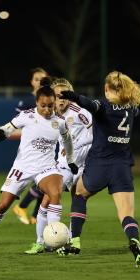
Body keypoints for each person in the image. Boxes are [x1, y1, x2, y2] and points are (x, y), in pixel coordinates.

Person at [0, 84, 78, 253]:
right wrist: (1, 133)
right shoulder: (26, 116)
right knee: (3, 205)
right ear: (36, 103)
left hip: (46, 167)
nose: (47, 110)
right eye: (43, 106)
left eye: (50, 105)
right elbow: (7, 128)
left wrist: (70, 160)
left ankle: (53, 239)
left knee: (55, 193)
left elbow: (68, 141)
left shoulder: (60, 122)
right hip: (22, 168)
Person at [58, 71, 140, 268]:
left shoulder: (103, 105)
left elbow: (91, 105)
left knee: (79, 195)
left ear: (106, 88)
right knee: (126, 214)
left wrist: (74, 97)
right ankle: (134, 242)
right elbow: (135, 110)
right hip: (122, 168)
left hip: (99, 165)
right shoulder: (131, 108)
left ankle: (74, 242)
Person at [51, 78, 93, 254]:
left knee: (78, 197)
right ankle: (49, 238)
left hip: (84, 163)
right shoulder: (50, 113)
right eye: (57, 96)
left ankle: (71, 240)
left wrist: (74, 146)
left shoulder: (80, 112)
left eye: (64, 95)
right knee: (53, 194)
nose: (61, 99)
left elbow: (95, 133)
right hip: (64, 163)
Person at [12, 67, 49, 225]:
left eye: (43, 79)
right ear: (31, 82)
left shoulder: (49, 100)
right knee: (43, 181)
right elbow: (17, 122)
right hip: (31, 148)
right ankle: (22, 206)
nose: (40, 82)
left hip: (47, 145)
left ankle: (35, 215)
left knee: (45, 182)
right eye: (36, 79)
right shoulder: (27, 101)